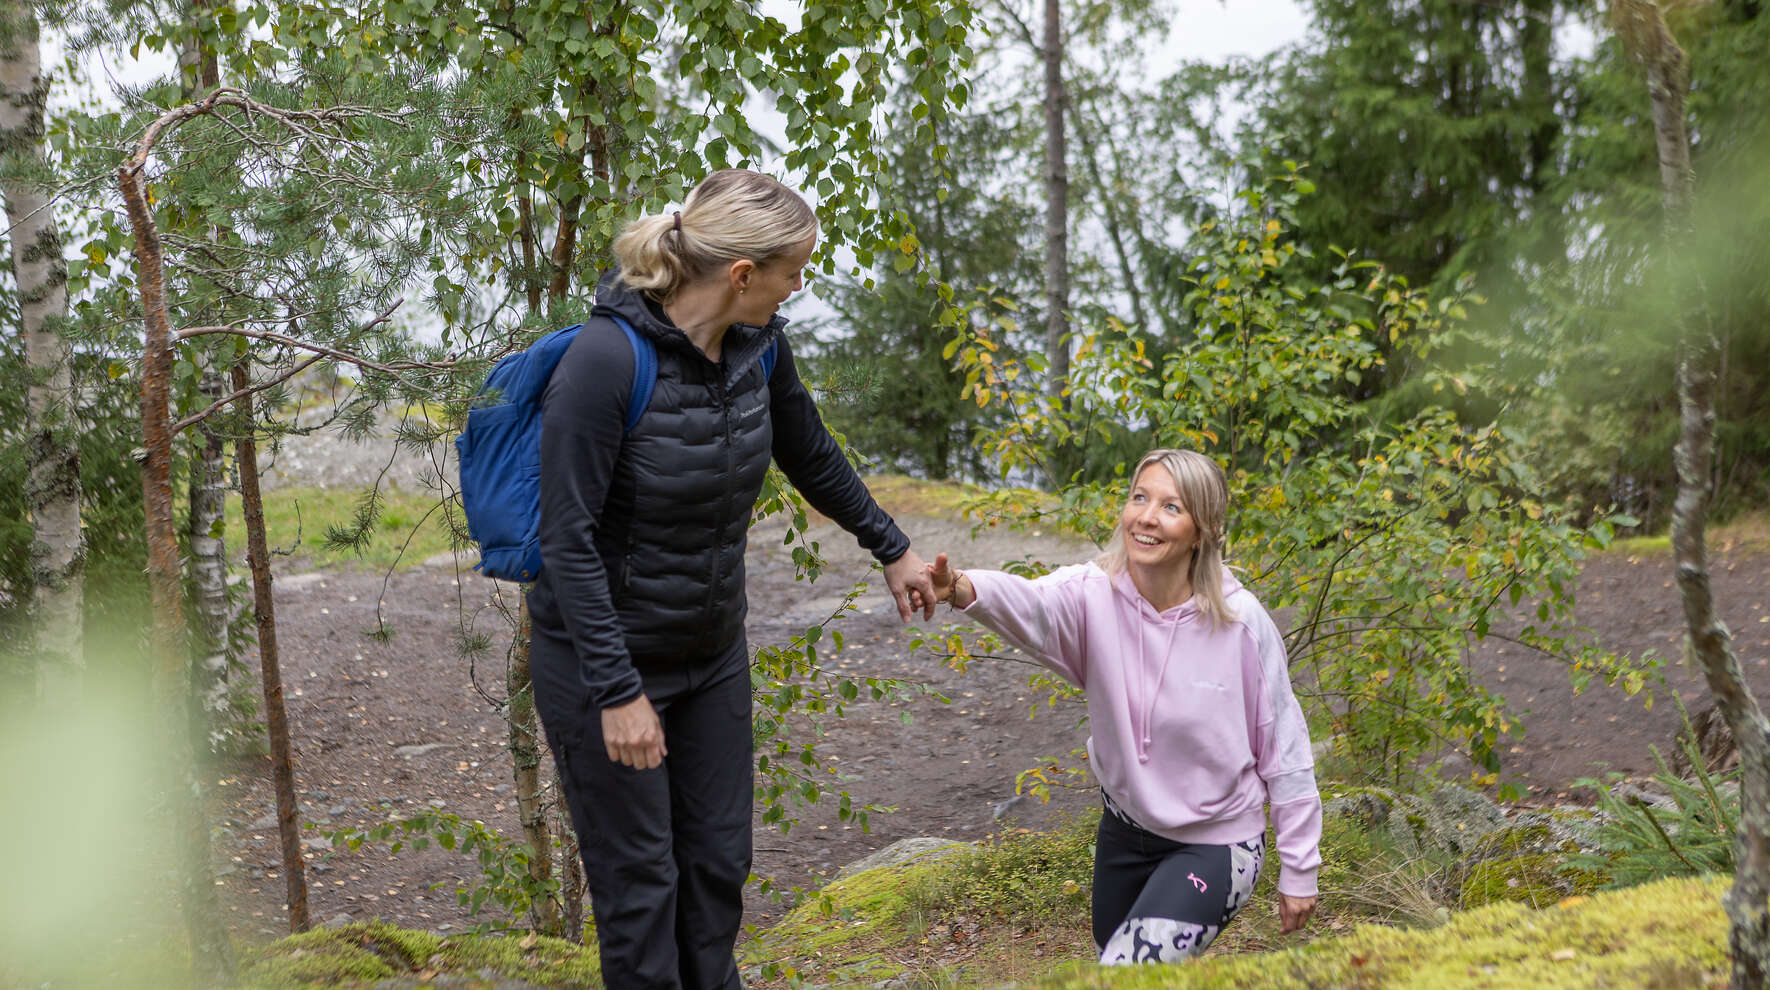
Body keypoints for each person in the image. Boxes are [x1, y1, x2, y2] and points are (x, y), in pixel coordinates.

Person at [527, 169, 935, 989]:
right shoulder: (606, 361)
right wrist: (617, 692)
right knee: (642, 889)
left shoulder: (758, 346)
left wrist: (891, 548)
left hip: (711, 655)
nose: (798, 288)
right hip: (606, 665)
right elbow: (565, 540)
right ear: (743, 274)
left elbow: (808, 450)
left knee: (715, 867)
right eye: (794, 272)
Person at [925, 448, 1321, 966]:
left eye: (1171, 507)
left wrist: (1300, 868)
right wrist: (957, 587)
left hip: (1218, 843)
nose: (1147, 517)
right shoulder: (1093, 595)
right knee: (1115, 968)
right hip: (1125, 829)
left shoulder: (1240, 623)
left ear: (1202, 531)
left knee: (1125, 971)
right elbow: (1031, 603)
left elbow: (1284, 749)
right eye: (1139, 498)